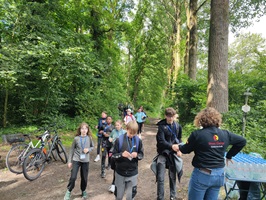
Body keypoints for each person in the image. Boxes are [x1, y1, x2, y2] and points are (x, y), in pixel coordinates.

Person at [177, 107, 247, 200]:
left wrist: (178, 147)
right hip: (219, 175)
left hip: (202, 174)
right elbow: (242, 141)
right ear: (218, 119)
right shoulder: (225, 134)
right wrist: (229, 156)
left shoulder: (197, 134)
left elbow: (186, 150)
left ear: (201, 120)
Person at [111, 121, 144, 200]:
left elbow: (141, 155)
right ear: (127, 129)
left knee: (130, 197)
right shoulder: (119, 140)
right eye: (130, 133)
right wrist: (121, 154)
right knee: (118, 197)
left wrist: (137, 155)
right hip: (120, 173)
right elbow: (113, 155)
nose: (132, 135)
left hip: (132, 173)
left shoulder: (138, 141)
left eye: (134, 133)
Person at [156, 107, 183, 200]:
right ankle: (160, 197)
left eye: (172, 116)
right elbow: (161, 141)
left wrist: (179, 149)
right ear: (165, 116)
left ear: (174, 116)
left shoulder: (178, 126)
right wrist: (171, 146)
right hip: (162, 154)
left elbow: (179, 139)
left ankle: (173, 196)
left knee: (172, 177)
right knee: (160, 178)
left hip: (173, 154)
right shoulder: (161, 126)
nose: (170, 118)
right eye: (168, 116)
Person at [64, 122, 94, 200]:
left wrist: (88, 150)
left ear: (87, 130)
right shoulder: (76, 139)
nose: (84, 130)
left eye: (86, 129)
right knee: (73, 177)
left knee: (84, 177)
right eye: (82, 128)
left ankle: (83, 190)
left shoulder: (89, 138)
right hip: (76, 159)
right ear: (80, 130)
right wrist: (69, 161)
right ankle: (68, 191)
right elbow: (71, 150)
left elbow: (92, 147)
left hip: (85, 160)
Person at [108, 120, 126, 193]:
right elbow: (110, 137)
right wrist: (110, 139)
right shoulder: (113, 131)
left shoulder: (124, 132)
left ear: (121, 125)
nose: (117, 126)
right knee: (115, 168)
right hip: (114, 151)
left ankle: (122, 184)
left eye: (118, 125)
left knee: (122, 168)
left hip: (122, 151)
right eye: (116, 125)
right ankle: (113, 184)